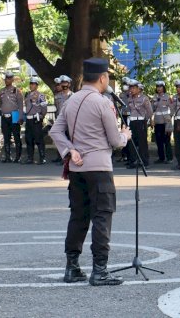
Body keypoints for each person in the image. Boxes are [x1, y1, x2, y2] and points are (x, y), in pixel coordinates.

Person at [49, 57, 131, 286]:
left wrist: (69, 150)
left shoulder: (71, 100)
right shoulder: (102, 102)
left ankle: (72, 268)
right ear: (103, 78)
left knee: (78, 216)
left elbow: (56, 131)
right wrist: (126, 135)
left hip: (77, 168)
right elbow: (115, 141)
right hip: (99, 168)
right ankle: (99, 270)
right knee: (102, 216)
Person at [0, 71, 24, 163]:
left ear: (12, 79)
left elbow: (20, 105)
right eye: (6, 78)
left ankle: (18, 157)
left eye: (9, 78)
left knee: (16, 136)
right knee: (6, 137)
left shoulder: (17, 91)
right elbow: (0, 103)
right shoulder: (1, 91)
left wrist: (21, 117)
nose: (7, 80)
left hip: (15, 115)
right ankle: (8, 157)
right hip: (5, 116)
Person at [126, 80, 152, 168]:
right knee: (131, 142)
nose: (131, 90)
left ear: (138, 89)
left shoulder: (144, 98)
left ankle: (144, 162)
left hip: (141, 122)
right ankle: (133, 161)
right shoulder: (129, 99)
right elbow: (129, 110)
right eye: (130, 88)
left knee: (142, 143)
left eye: (133, 88)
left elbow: (150, 112)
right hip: (132, 122)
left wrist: (145, 120)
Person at [24, 77, 49, 164]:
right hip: (28, 120)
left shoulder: (40, 95)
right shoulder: (27, 95)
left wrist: (41, 116)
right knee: (29, 139)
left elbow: (44, 108)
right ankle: (30, 158)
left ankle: (42, 158)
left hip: (36, 119)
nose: (31, 85)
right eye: (31, 84)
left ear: (37, 86)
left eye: (34, 84)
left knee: (39, 139)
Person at [152, 81, 174, 164]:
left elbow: (172, 108)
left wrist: (169, 116)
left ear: (163, 88)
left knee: (167, 141)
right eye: (157, 87)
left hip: (165, 122)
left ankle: (169, 158)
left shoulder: (168, 97)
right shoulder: (154, 97)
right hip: (157, 122)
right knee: (158, 141)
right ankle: (161, 158)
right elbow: (152, 109)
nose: (159, 88)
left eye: (160, 87)